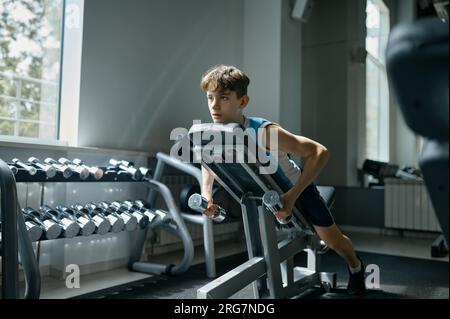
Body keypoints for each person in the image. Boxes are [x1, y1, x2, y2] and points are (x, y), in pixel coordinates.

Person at [198, 64, 366, 296]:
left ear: (242, 102)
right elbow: (209, 163)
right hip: (261, 194)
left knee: (333, 240)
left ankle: (356, 266)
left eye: (224, 97)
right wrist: (206, 193)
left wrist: (291, 197)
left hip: (296, 191)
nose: (214, 106)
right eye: (210, 98)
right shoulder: (216, 134)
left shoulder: (265, 131)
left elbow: (319, 152)